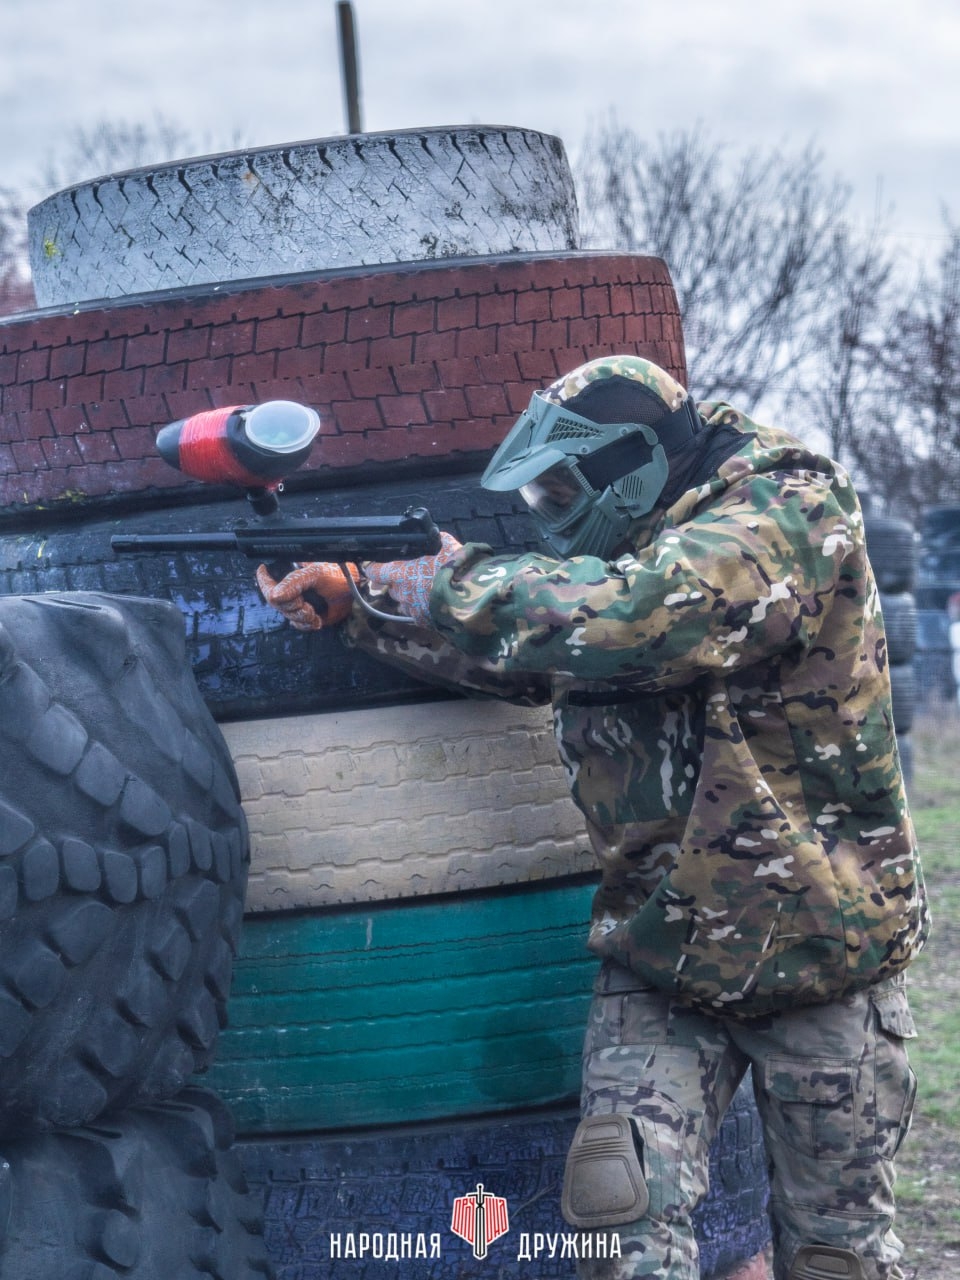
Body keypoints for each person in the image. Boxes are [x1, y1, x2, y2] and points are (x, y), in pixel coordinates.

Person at [257, 355, 929, 1280]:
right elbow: (543, 659)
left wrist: (440, 581)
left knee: (834, 1257)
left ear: (634, 460)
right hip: (663, 952)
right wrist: (364, 603)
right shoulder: (643, 538)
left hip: (819, 952)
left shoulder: (789, 511)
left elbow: (639, 622)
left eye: (563, 486)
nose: (550, 511)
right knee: (618, 1228)